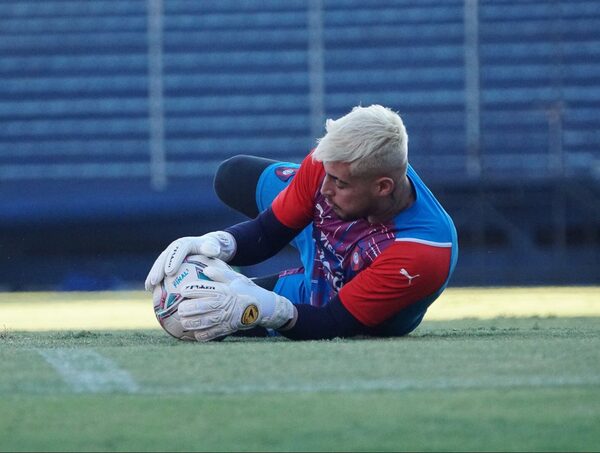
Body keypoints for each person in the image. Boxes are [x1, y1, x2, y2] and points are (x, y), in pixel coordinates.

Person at [145, 105, 458, 341]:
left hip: (340, 291)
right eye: (326, 173)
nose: (323, 189)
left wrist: (267, 309)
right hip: (325, 232)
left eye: (339, 182)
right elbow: (267, 233)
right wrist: (216, 243)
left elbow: (332, 321)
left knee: (211, 315)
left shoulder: (424, 252)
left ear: (383, 186)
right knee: (232, 175)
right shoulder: (328, 164)